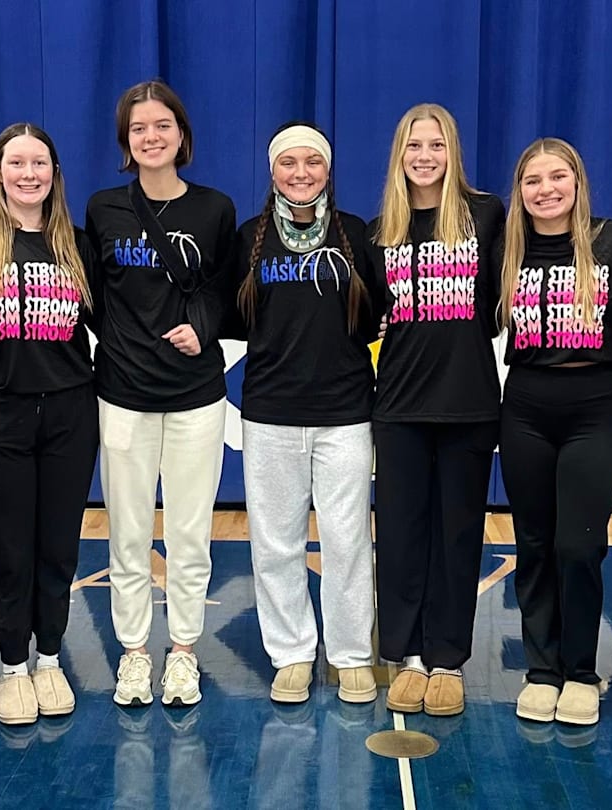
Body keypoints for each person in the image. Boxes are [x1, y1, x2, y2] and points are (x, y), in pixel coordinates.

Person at [84, 80, 237, 708]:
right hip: (123, 394)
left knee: (190, 533)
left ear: (182, 134)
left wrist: (201, 328)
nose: (151, 137)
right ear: (126, 140)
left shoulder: (215, 209)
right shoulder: (103, 209)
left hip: (197, 395)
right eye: (139, 128)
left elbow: (225, 291)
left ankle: (182, 651)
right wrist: (125, 345)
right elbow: (93, 296)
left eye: (162, 125)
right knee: (127, 533)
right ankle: (133, 653)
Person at [235, 122, 382, 705]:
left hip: (345, 412)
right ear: (272, 171)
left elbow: (374, 318)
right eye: (288, 163)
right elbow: (233, 317)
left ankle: (350, 655)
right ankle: (291, 653)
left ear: (328, 170)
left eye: (312, 162)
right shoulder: (248, 238)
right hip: (270, 412)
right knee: (276, 543)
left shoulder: (357, 235)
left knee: (347, 541)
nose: (301, 173)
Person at [0, 123, 101, 725]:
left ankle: (49, 659)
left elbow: (113, 321)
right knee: (6, 547)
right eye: (15, 162)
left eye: (39, 163)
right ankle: (13, 666)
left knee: (58, 545)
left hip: (69, 412)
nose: (28, 174)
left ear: (55, 174)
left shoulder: (78, 245)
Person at [368, 103, 505, 717]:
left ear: (453, 153)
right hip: (398, 404)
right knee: (401, 535)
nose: (425, 157)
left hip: (468, 403)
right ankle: (409, 656)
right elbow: (371, 315)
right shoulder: (381, 231)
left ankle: (447, 658)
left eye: (436, 145)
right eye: (414, 145)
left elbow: (501, 303)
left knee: (457, 536)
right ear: (398, 154)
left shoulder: (486, 214)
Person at [497, 138, 612, 726]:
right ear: (519, 191)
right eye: (532, 180)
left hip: (594, 405)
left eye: (558, 177)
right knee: (533, 544)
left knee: (578, 545)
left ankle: (580, 671)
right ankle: (541, 670)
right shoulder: (506, 249)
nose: (546, 189)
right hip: (526, 405)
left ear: (578, 183)